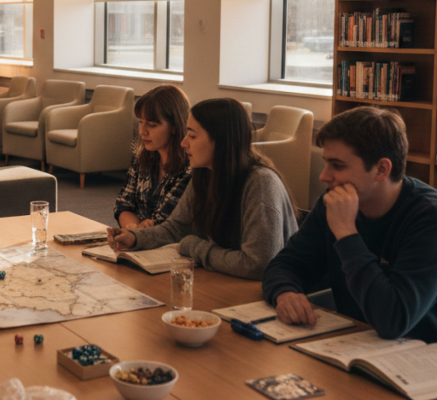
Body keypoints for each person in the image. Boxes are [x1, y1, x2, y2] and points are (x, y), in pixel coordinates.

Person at [262, 106, 437, 400]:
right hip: (367, 358)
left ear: (382, 169)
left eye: (337, 165)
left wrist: (347, 233)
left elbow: (393, 319)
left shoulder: (433, 222)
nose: (323, 175)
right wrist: (285, 290)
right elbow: (284, 264)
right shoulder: (333, 204)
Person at [108, 98, 298, 280]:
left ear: (221, 141)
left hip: (274, 294)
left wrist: (195, 247)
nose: (183, 143)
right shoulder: (205, 173)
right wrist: (134, 238)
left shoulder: (260, 183)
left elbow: (257, 264)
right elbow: (176, 227)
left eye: (192, 135)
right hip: (228, 280)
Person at [114, 85, 192, 229]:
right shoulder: (142, 157)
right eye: (140, 122)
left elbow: (166, 220)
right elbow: (123, 205)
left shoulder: (190, 166)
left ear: (175, 126)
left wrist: (137, 234)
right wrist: (133, 228)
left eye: (152, 125)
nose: (143, 131)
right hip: (140, 238)